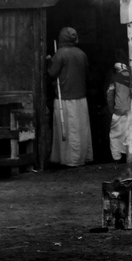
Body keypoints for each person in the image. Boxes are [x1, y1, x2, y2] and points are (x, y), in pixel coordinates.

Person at [47, 27, 93, 166]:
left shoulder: (60, 54)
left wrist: (49, 61)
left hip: (65, 98)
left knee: (69, 129)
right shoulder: (82, 54)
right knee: (80, 128)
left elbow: (52, 73)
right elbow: (86, 73)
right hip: (81, 98)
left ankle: (71, 159)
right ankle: (83, 156)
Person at [106, 61, 132, 164]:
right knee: (130, 133)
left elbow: (110, 95)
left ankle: (117, 157)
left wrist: (111, 110)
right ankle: (130, 156)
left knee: (115, 135)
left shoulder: (115, 77)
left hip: (120, 110)